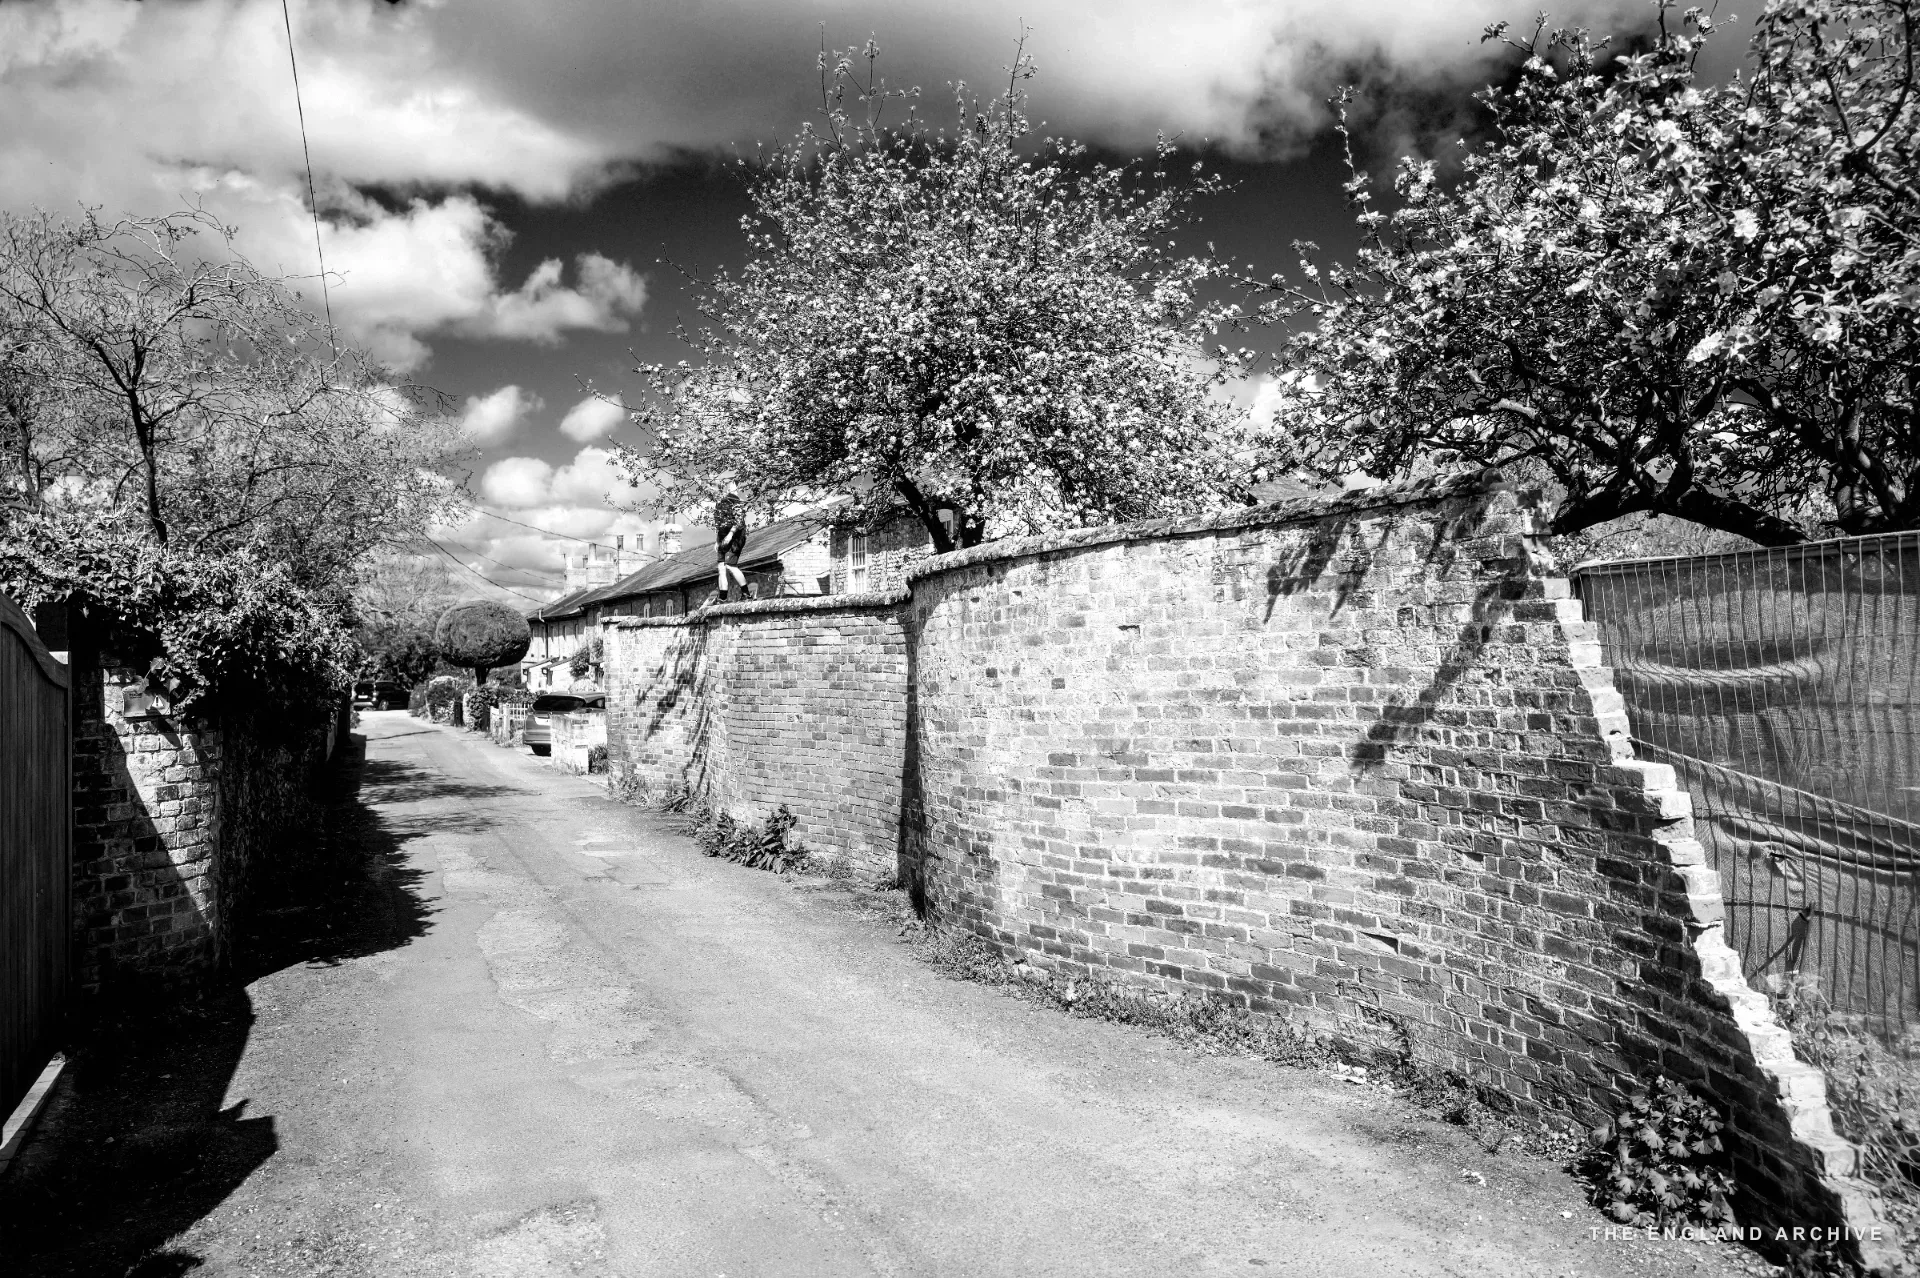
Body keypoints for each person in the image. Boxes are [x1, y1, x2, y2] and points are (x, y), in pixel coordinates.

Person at [713, 485, 748, 602]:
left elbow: (739, 521)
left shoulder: (735, 502)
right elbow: (720, 525)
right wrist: (717, 541)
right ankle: (722, 597)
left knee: (730, 565)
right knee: (721, 568)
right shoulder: (719, 504)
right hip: (723, 538)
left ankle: (746, 593)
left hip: (735, 538)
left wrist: (730, 535)